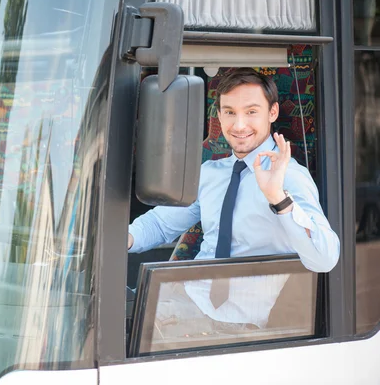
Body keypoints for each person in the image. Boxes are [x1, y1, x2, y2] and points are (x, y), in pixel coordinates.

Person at [127, 68, 340, 333]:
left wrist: (277, 198)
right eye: (230, 112)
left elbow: (326, 258)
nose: (239, 126)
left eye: (251, 112)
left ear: (272, 112)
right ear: (219, 115)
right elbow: (160, 224)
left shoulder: (290, 177)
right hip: (187, 301)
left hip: (239, 324)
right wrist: (118, 239)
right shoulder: (211, 172)